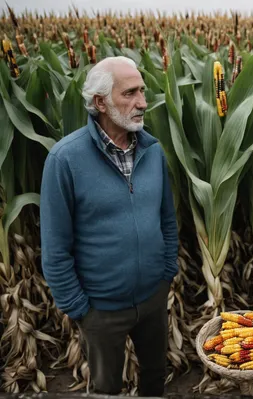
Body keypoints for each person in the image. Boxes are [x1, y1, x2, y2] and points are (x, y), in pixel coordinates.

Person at [40, 56, 178, 397]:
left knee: (155, 378)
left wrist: (166, 273)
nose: (143, 103)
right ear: (100, 102)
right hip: (100, 309)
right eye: (130, 93)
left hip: (153, 298)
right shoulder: (65, 160)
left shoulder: (153, 150)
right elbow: (55, 247)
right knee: (106, 389)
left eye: (142, 92)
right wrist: (80, 309)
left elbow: (167, 220)